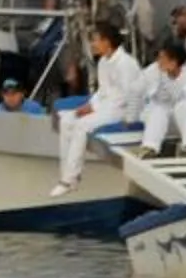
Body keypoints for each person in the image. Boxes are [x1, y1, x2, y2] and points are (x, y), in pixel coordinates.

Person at [51, 22, 141, 198]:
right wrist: (89, 105)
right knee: (67, 119)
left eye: (95, 40)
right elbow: (102, 91)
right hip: (108, 106)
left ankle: (68, 180)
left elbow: (126, 96)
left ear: (107, 42)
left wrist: (94, 108)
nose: (92, 44)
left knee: (82, 125)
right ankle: (68, 175)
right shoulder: (103, 63)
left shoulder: (126, 64)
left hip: (124, 109)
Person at [141, 45, 186, 158]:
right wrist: (164, 75)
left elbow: (183, 98)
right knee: (159, 110)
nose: (159, 61)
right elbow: (147, 94)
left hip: (178, 121)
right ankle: (150, 148)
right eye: (159, 58)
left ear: (174, 61)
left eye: (163, 58)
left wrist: (169, 76)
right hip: (155, 119)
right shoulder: (152, 70)